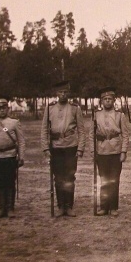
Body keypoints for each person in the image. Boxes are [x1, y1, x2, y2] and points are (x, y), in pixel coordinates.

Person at [41, 81, 86, 217]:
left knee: (70, 177)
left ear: (69, 93)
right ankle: (61, 206)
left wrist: (80, 148)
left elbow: (81, 130)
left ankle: (69, 206)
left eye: (65, 92)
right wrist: (45, 149)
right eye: (60, 92)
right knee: (58, 177)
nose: (63, 95)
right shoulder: (49, 109)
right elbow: (44, 130)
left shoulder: (75, 108)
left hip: (71, 146)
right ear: (56, 93)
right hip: (56, 147)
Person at [89, 87, 131, 216]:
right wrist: (93, 151)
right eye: (105, 99)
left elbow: (125, 135)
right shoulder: (96, 115)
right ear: (101, 101)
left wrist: (123, 151)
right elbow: (91, 135)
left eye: (110, 99)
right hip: (101, 151)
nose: (107, 101)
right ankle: (104, 206)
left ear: (114, 101)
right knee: (104, 179)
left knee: (114, 180)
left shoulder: (120, 115)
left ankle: (113, 207)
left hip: (115, 151)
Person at [0, 95, 26, 219]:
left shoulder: (14, 123)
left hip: (10, 156)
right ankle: (1, 208)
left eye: (4, 108)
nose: (2, 110)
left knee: (10, 182)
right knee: (0, 183)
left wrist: (21, 157)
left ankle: (10, 208)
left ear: (8, 109)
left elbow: (21, 141)